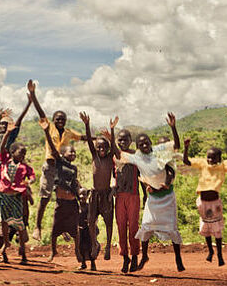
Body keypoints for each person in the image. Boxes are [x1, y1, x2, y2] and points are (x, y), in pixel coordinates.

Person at [26, 79, 91, 242]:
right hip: (50, 166)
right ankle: (37, 227)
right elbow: (41, 113)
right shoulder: (49, 126)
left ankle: (64, 228)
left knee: (64, 198)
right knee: (45, 196)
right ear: (53, 120)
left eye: (63, 119)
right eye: (58, 119)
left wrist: (100, 138)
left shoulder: (69, 132)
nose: (60, 121)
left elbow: (83, 137)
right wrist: (33, 95)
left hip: (63, 168)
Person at [121, 113, 185, 272]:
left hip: (167, 197)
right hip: (153, 198)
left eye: (146, 142)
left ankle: (178, 258)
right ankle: (144, 257)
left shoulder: (160, 152)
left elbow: (175, 152)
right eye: (141, 144)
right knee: (146, 227)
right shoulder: (138, 158)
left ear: (151, 142)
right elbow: (138, 173)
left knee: (172, 228)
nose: (144, 145)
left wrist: (173, 127)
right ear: (138, 147)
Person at [0, 90, 32, 249]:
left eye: (5, 124)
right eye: (1, 124)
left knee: (17, 199)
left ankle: (18, 229)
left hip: (7, 173)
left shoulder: (11, 135)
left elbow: (20, 119)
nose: (2, 126)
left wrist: (29, 103)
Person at [182, 141, 227, 267]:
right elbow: (186, 161)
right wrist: (186, 147)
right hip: (202, 202)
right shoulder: (202, 163)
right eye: (208, 157)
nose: (210, 159)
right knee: (206, 228)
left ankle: (220, 255)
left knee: (216, 230)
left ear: (219, 158)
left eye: (213, 157)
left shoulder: (223, 165)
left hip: (215, 202)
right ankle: (210, 251)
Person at [38, 118, 85, 269]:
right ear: (62, 154)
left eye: (74, 152)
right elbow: (52, 146)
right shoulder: (59, 162)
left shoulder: (74, 168)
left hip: (71, 203)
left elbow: (75, 182)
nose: (73, 153)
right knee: (54, 231)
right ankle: (53, 252)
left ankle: (78, 251)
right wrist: (46, 130)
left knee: (75, 231)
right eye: (70, 151)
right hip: (60, 202)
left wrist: (80, 191)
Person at [79, 112, 116, 261]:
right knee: (91, 220)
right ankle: (94, 244)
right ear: (95, 148)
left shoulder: (109, 157)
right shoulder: (94, 157)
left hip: (106, 194)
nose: (101, 149)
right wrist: (87, 125)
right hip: (94, 194)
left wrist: (112, 131)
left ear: (107, 149)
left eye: (104, 147)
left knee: (108, 222)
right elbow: (88, 140)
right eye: (99, 147)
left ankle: (107, 247)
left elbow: (114, 145)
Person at [0, 133, 36, 264]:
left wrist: (29, 182)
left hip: (17, 196)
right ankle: (6, 246)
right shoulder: (4, 162)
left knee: (19, 223)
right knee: (4, 222)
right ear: (12, 152)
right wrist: (7, 133)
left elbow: (32, 177)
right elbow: (2, 147)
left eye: (24, 154)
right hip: (4, 196)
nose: (23, 156)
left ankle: (23, 251)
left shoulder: (25, 167)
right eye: (20, 153)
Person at [108, 123, 141, 273]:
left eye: (125, 140)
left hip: (133, 195)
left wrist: (147, 194)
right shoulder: (115, 157)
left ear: (130, 140)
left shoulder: (135, 155)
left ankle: (134, 257)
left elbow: (141, 175)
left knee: (133, 227)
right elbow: (114, 176)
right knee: (121, 227)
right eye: (119, 140)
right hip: (120, 197)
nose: (122, 143)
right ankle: (125, 257)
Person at [76, 189, 99, 271]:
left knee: (90, 245)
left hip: (89, 230)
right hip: (80, 230)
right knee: (80, 246)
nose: (82, 197)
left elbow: (95, 218)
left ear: (87, 196)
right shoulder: (77, 207)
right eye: (80, 194)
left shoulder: (89, 206)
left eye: (84, 194)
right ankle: (83, 263)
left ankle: (93, 263)